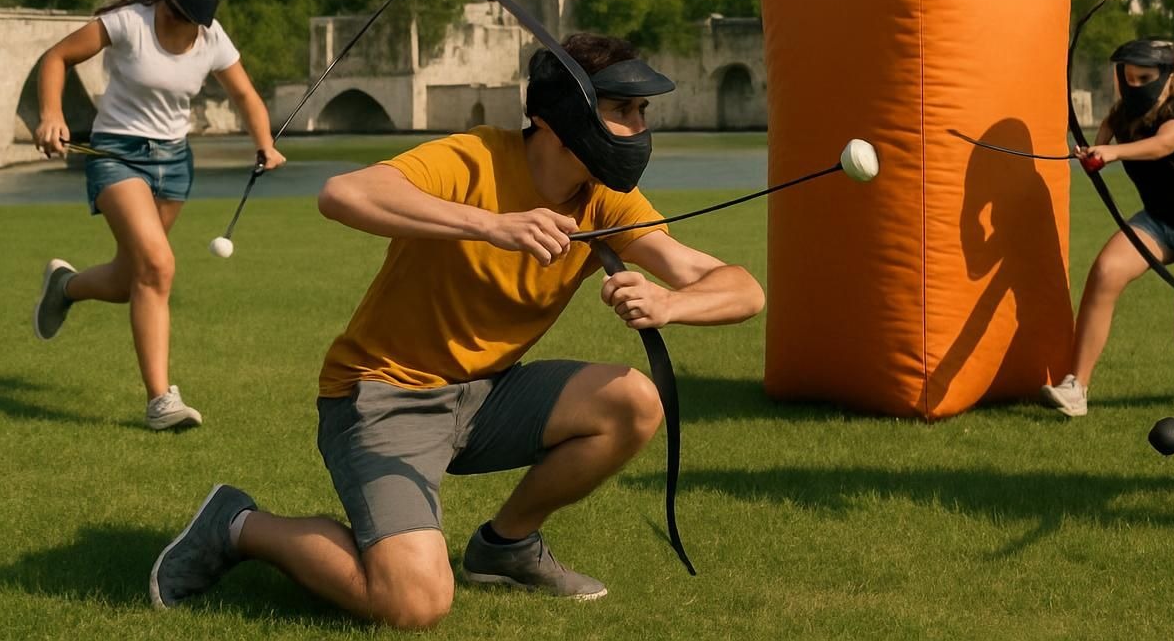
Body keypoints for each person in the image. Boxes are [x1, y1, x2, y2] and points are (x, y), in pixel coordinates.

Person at [149, 33, 765, 628]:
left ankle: (506, 547)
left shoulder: (605, 200)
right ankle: (238, 525)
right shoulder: (476, 157)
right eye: (622, 111)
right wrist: (490, 225)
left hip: (487, 395)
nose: (639, 128)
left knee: (633, 400)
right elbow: (342, 194)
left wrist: (670, 303)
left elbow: (741, 289)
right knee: (413, 603)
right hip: (383, 393)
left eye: (642, 111)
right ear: (557, 119)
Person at [30, 0, 286, 430]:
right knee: (158, 265)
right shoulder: (130, 22)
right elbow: (56, 58)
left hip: (174, 164)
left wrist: (264, 143)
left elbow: (245, 96)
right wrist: (51, 114)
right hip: (116, 156)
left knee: (131, 279)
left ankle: (66, 286)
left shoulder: (213, 39)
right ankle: (160, 401)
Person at [1041, 39, 1174, 417]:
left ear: (1168, 78)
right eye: (1128, 78)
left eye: (1144, 78)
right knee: (1106, 272)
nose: (1134, 85)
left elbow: (1161, 145)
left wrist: (1112, 152)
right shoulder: (1120, 116)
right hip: (1158, 222)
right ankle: (1076, 388)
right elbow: (1099, 142)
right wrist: (1089, 153)